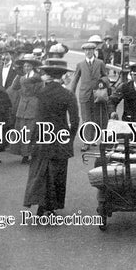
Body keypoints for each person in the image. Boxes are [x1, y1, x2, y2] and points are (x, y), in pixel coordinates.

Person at [24, 58, 79, 216]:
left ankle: (41, 204)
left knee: (40, 170)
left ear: (47, 74)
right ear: (62, 76)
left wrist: (38, 77)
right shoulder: (68, 95)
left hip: (40, 135)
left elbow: (24, 85)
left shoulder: (40, 91)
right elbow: (75, 121)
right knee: (57, 172)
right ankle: (50, 207)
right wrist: (69, 138)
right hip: (60, 138)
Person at [69, 42, 108, 152]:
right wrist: (70, 93)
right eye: (86, 50)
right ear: (84, 52)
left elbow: (105, 76)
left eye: (90, 50)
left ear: (94, 51)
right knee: (86, 119)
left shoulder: (100, 63)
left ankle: (93, 138)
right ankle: (86, 142)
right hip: (84, 94)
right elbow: (75, 79)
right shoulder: (80, 64)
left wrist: (102, 81)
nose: (88, 52)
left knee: (96, 118)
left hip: (97, 95)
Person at [9, 54, 43, 164]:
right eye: (24, 66)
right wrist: (18, 75)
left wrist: (24, 80)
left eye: (28, 66)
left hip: (33, 105)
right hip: (22, 105)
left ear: (32, 67)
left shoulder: (38, 78)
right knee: (22, 129)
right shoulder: (22, 77)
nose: (26, 68)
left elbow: (35, 91)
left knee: (31, 130)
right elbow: (14, 87)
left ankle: (30, 153)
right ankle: (24, 154)